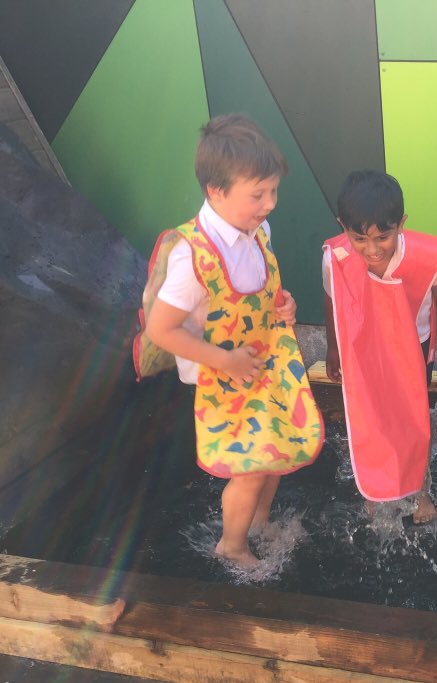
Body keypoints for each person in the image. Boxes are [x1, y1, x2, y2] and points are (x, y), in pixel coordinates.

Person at [134, 114, 324, 569]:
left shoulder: (257, 231)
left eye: (273, 191)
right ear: (216, 191)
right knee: (250, 468)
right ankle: (232, 544)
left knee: (274, 449)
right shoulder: (191, 258)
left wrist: (284, 307)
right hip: (223, 374)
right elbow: (161, 329)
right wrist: (225, 360)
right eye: (257, 194)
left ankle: (258, 523)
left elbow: (262, 289)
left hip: (260, 362)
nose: (270, 203)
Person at [322, 170, 437, 524]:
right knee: (371, 415)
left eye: (383, 237)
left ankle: (420, 492)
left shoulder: (427, 255)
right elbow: (333, 300)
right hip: (364, 348)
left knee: (414, 419)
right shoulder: (336, 257)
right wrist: (333, 347)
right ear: (343, 227)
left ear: (401, 224)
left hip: (412, 346)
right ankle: (373, 490)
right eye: (359, 238)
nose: (371, 249)